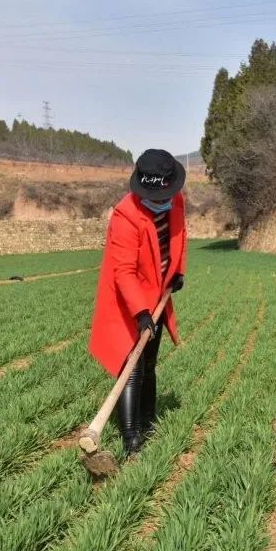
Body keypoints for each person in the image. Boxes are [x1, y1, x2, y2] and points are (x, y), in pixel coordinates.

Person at [89, 149, 187, 456]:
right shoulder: (125, 216)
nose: (162, 202)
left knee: (149, 363)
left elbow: (179, 237)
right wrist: (141, 312)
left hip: (157, 292)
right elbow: (124, 271)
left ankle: (147, 421)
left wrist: (178, 272)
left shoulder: (177, 202)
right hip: (126, 298)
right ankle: (131, 438)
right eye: (156, 198)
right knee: (130, 365)